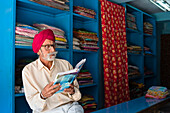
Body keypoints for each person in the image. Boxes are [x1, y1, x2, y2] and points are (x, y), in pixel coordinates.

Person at [22, 29, 84, 113]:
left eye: (53, 45)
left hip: (71, 107)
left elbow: (77, 96)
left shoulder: (65, 64)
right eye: (47, 46)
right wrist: (42, 95)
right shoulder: (28, 71)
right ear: (38, 51)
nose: (52, 50)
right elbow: (33, 105)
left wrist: (73, 91)